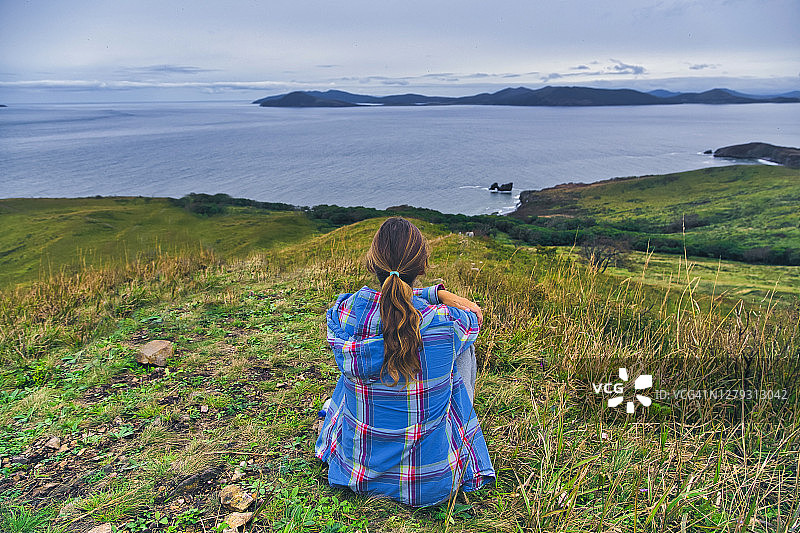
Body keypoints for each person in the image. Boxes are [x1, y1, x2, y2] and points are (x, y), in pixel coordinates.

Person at [314, 217, 495, 507]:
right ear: (422, 267)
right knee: (462, 350)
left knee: (356, 366)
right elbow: (475, 318)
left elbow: (388, 302)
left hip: (354, 472)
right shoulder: (445, 323)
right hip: (429, 485)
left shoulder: (344, 313)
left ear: (372, 263)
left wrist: (431, 293)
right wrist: (439, 294)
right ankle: (454, 432)